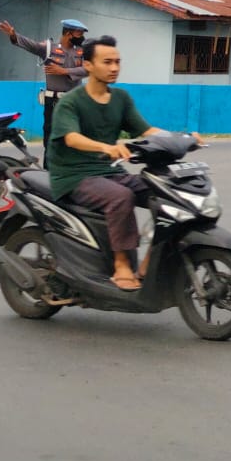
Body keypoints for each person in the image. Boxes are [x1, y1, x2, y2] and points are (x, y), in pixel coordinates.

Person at [46, 36, 173, 291]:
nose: (114, 68)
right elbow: (71, 138)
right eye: (107, 62)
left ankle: (150, 262)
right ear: (89, 65)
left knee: (167, 194)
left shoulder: (121, 98)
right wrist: (106, 146)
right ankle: (122, 264)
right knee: (121, 197)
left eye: (117, 62)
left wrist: (181, 138)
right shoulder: (71, 101)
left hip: (108, 172)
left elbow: (146, 130)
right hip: (73, 175)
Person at [0, 16, 89, 157]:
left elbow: (88, 69)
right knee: (51, 137)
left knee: (73, 136)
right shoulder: (49, 49)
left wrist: (64, 71)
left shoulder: (82, 52)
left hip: (74, 101)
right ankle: (48, 170)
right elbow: (31, 45)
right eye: (79, 33)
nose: (81, 37)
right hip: (53, 102)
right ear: (67, 33)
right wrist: (14, 36)